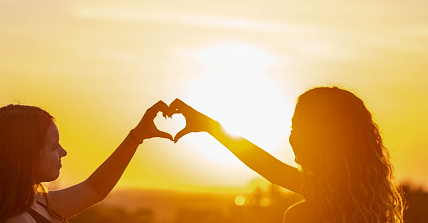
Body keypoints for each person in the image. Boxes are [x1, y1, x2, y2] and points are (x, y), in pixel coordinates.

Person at [166, 87, 404, 223]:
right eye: (292, 128)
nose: (292, 138)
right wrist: (209, 126)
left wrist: (209, 127)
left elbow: (272, 171)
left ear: (325, 140)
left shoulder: (304, 215)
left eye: (300, 129)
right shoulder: (361, 202)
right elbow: (272, 170)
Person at [0, 101, 173, 223]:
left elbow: (94, 189)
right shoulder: (17, 220)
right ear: (24, 158)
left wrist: (137, 136)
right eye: (54, 146)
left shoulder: (33, 204)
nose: (63, 152)